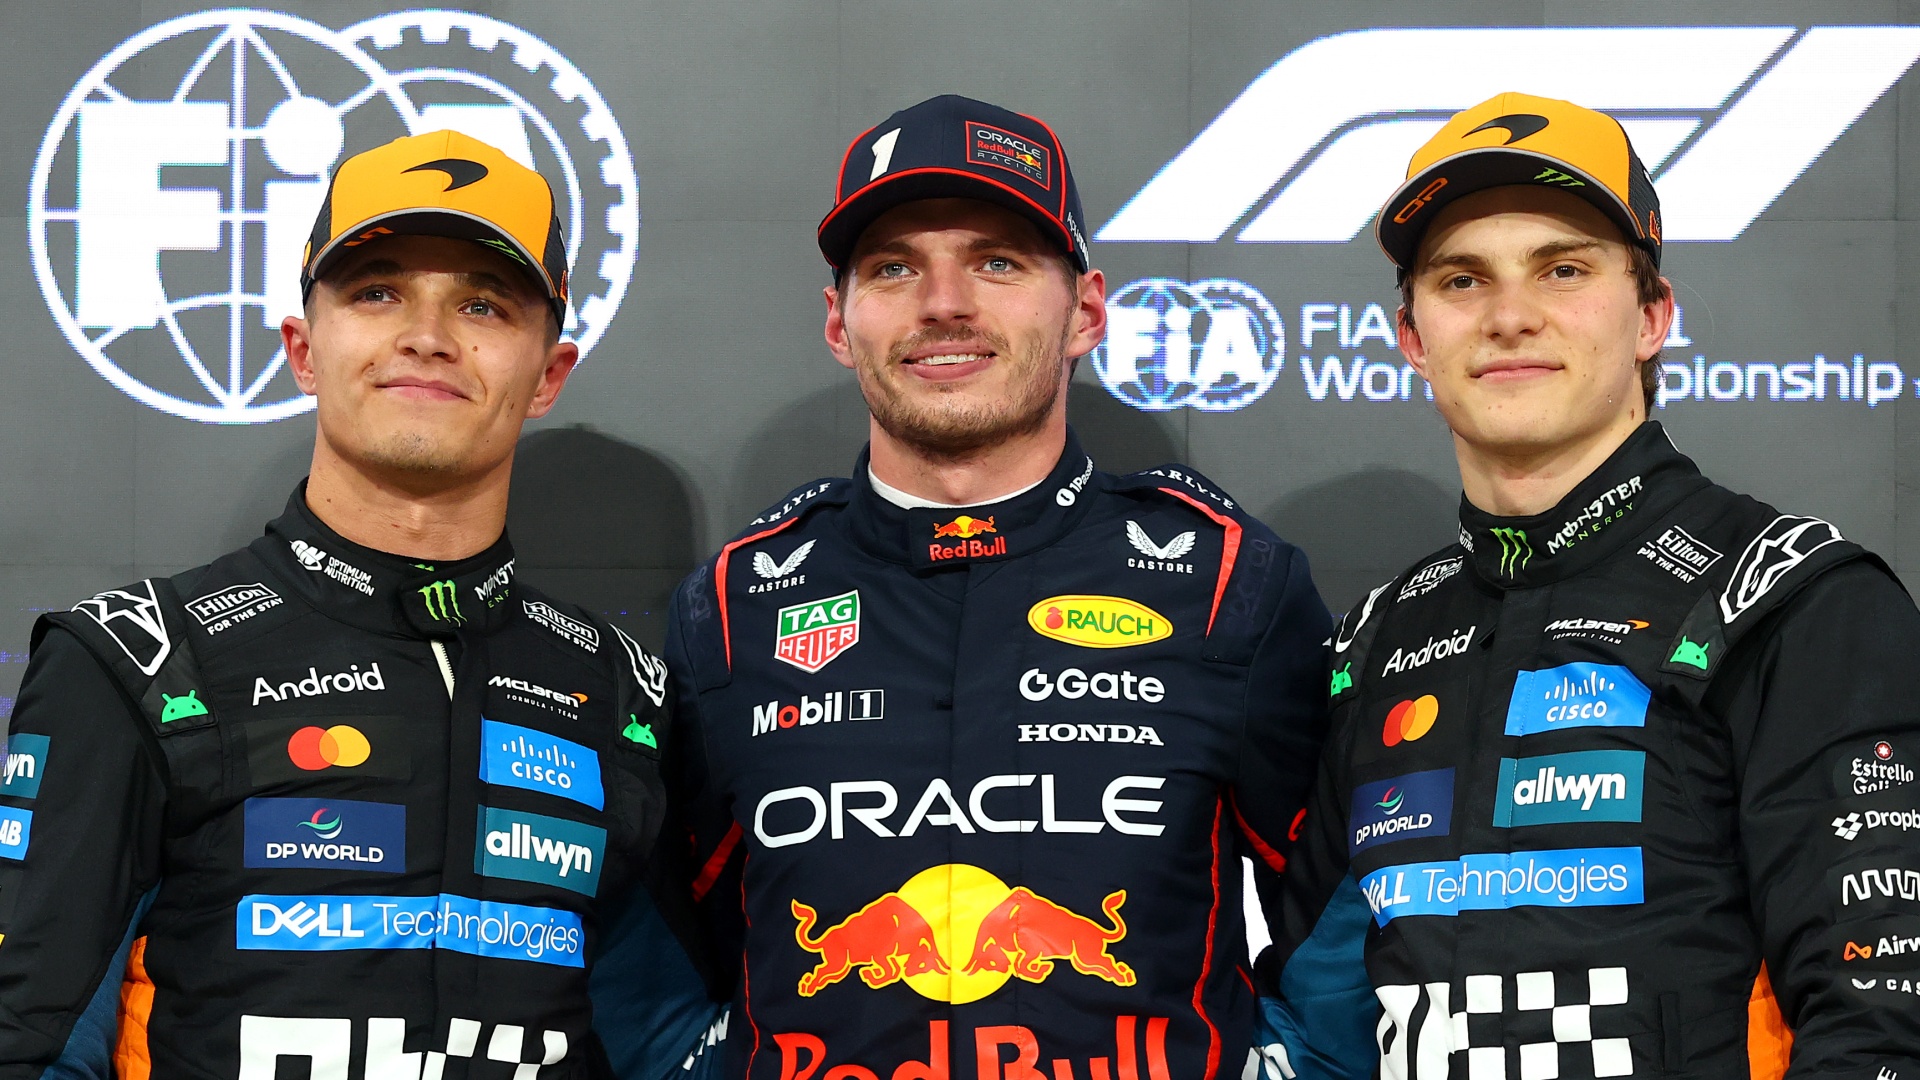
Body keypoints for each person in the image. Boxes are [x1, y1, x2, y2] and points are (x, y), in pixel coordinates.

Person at [0, 130, 711, 1080]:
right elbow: (29, 1038)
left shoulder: (622, 689)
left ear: (548, 374)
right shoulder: (138, 659)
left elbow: (667, 1038)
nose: (427, 334)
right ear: (303, 349)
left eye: (483, 304)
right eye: (377, 292)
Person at [663, 94, 1331, 1080]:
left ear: (1086, 312)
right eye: (893, 268)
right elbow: (665, 950)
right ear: (839, 322)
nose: (943, 302)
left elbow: (1346, 921)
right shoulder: (731, 607)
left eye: (998, 262)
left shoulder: (1230, 579)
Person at [1261, 92, 1920, 1079]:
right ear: (1413, 338)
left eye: (1562, 269)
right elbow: (1319, 1032)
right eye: (1462, 279)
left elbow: (1881, 1027)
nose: (1510, 316)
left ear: (1652, 316)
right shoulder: (1381, 639)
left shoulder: (1792, 600)